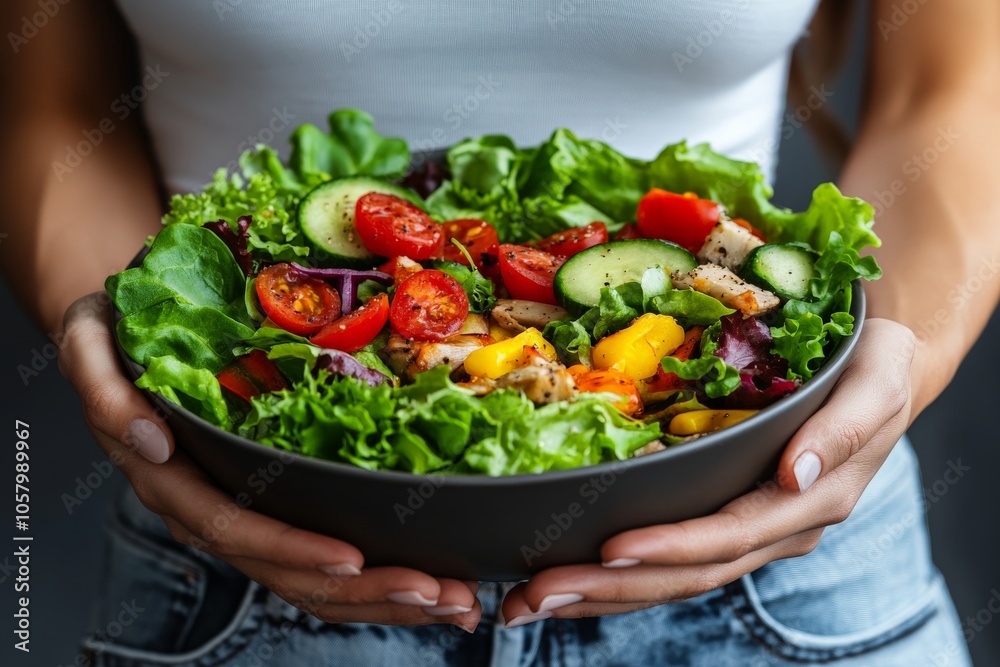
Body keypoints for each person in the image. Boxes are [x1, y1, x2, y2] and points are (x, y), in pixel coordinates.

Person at [2, 0, 995, 664]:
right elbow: (54, 109)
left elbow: (944, 98)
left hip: (777, 549)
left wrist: (895, 362)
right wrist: (117, 335)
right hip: (246, 562)